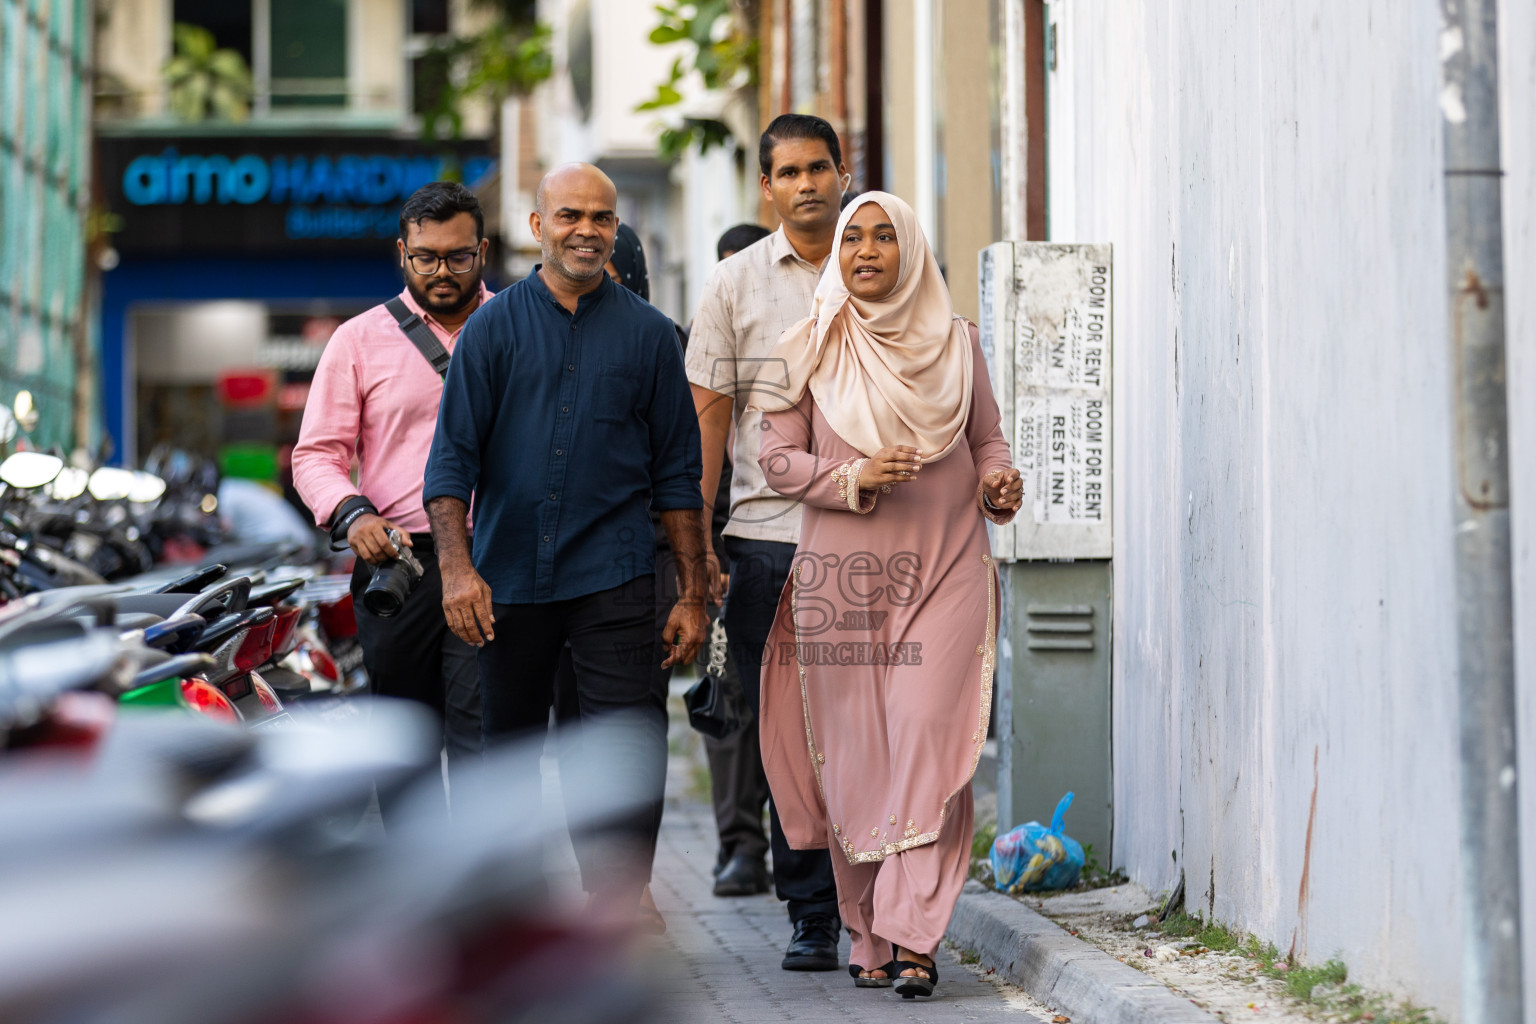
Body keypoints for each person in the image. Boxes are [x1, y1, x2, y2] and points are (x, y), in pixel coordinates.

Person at [748, 191, 1023, 998]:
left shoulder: (957, 342)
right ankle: (868, 936)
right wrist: (852, 476)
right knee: (860, 759)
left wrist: (1001, 482)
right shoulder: (802, 347)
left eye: (884, 237)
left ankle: (915, 936)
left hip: (945, 571)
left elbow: (987, 439)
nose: (867, 250)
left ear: (911, 250)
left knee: (925, 737)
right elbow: (776, 460)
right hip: (843, 579)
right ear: (836, 252)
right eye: (853, 237)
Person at [422, 163, 708, 915]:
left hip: (615, 577)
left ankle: (616, 901)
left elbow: (680, 476)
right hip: (507, 578)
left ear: (616, 231)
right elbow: (451, 464)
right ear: (537, 226)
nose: (586, 230)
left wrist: (693, 592)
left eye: (601, 219)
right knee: (505, 750)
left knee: (626, 744)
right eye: (570, 215)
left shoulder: (649, 337)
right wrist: (457, 572)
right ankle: (513, 907)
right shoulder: (490, 331)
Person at [685, 113, 849, 971]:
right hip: (765, 543)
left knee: (867, 733)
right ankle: (811, 914)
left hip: (874, 545)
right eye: (790, 172)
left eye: (820, 167)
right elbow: (709, 422)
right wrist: (700, 546)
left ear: (842, 170)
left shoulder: (885, 265)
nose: (808, 185)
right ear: (768, 186)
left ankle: (879, 906)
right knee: (783, 740)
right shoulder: (733, 284)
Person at [292, 181, 487, 799]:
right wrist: (353, 515)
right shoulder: (357, 340)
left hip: (494, 563)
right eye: (426, 256)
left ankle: (484, 889)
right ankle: (416, 889)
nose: (442, 271)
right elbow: (317, 455)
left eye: (458, 256)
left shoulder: (517, 326)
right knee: (402, 754)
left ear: (482, 251)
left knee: (485, 743)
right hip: (396, 569)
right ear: (402, 253)